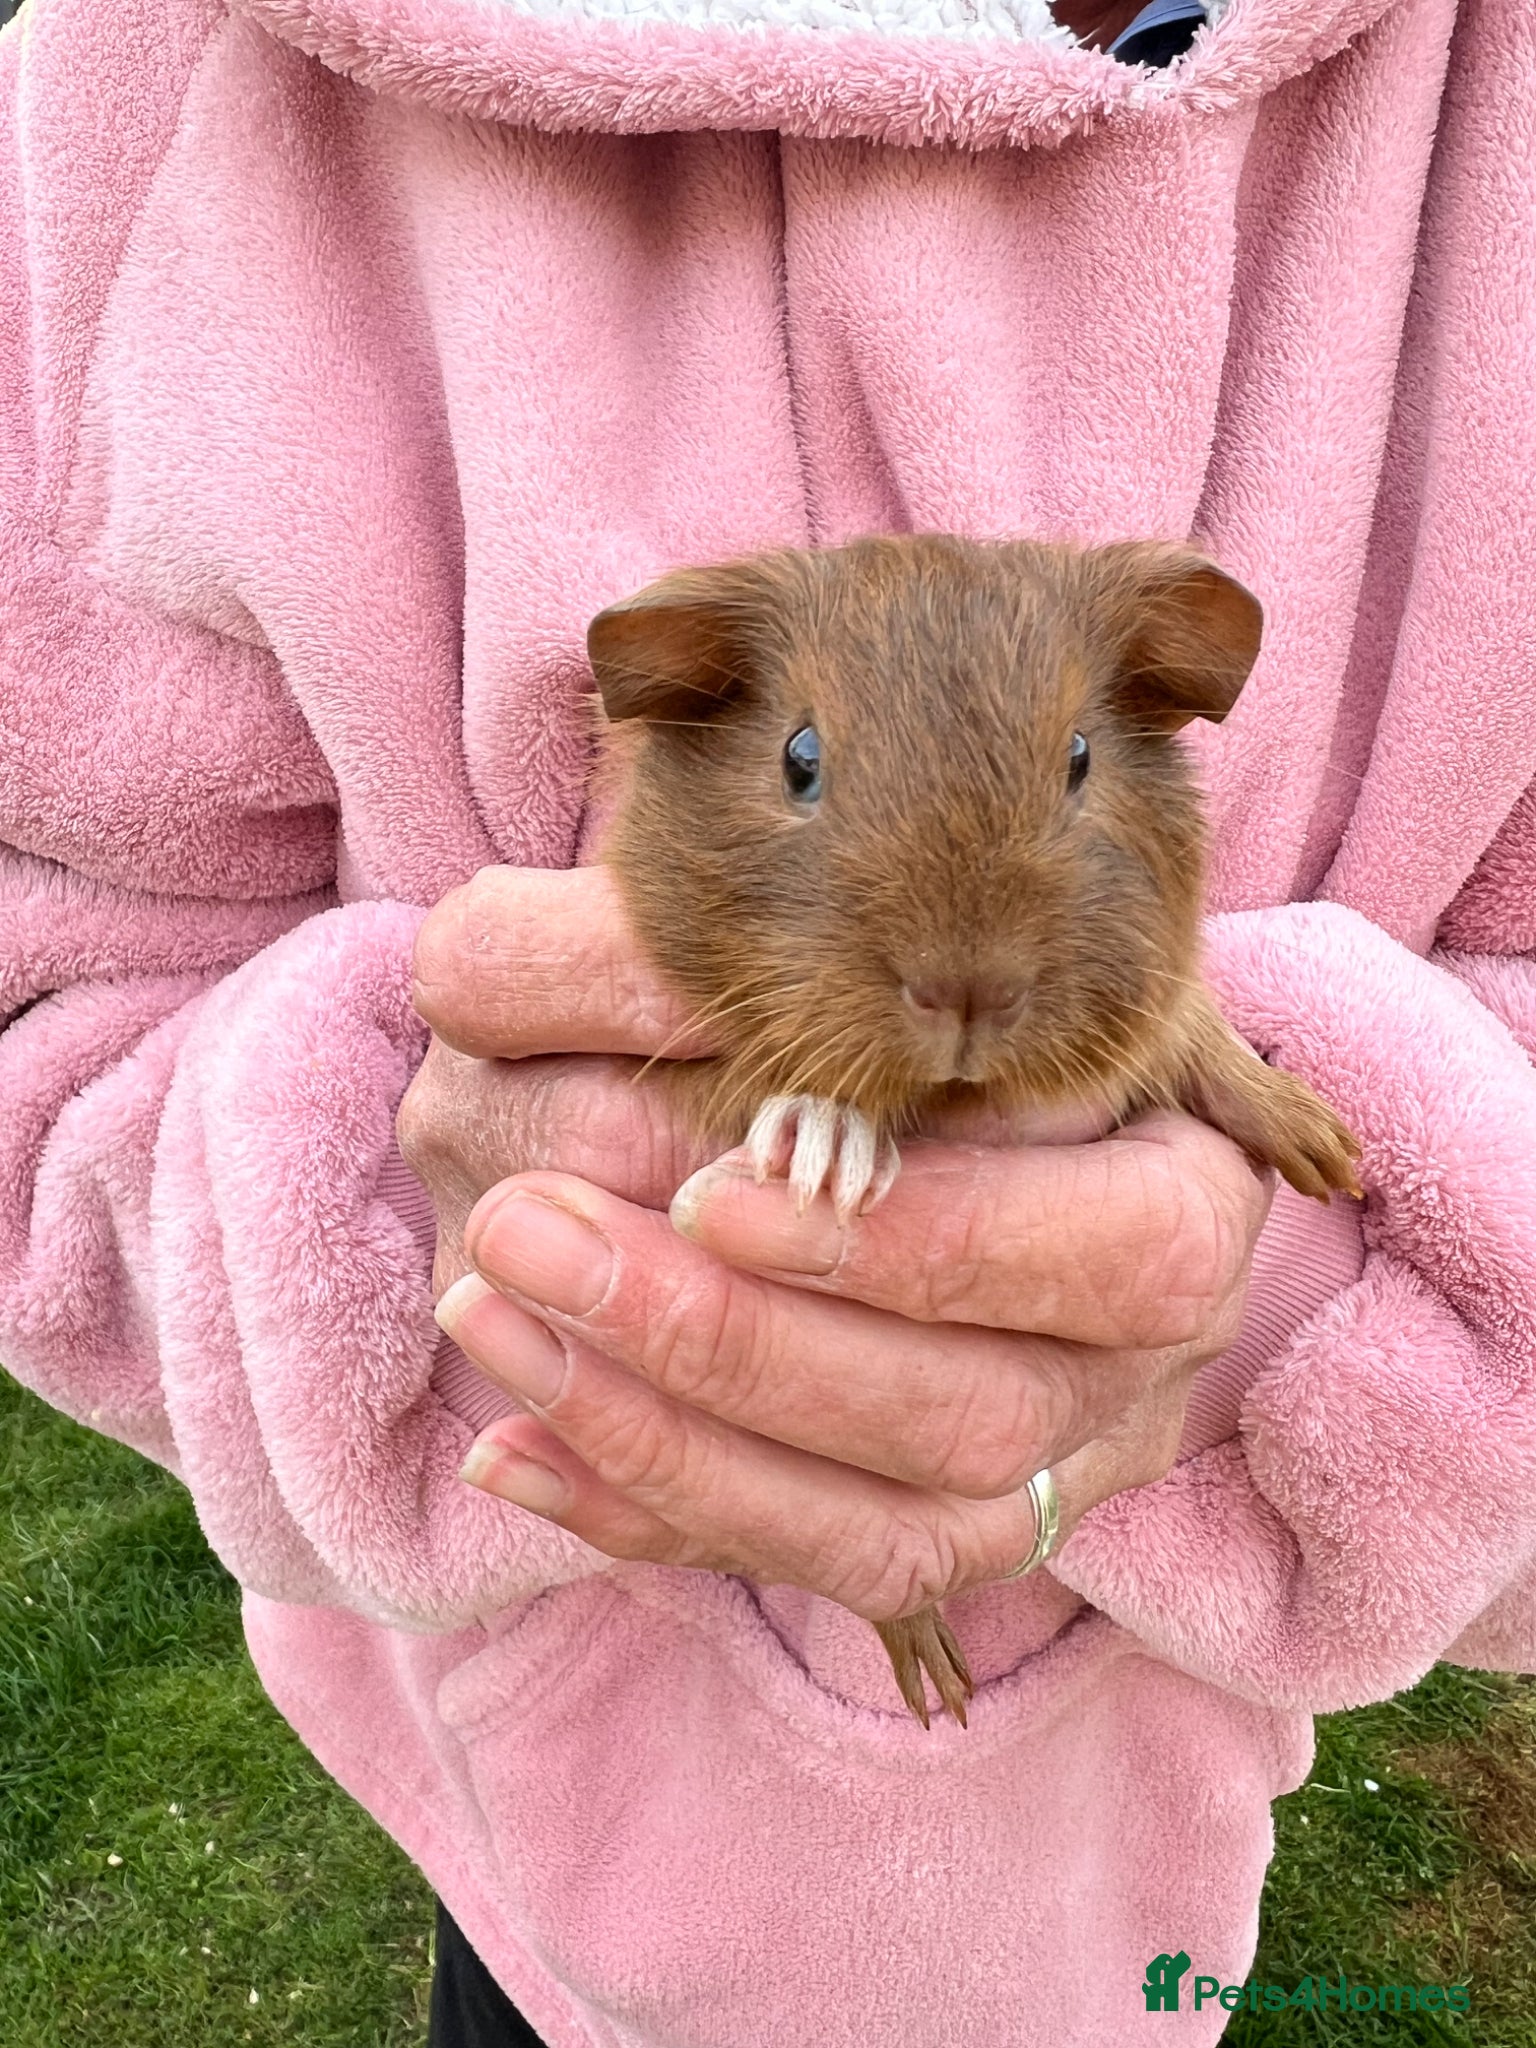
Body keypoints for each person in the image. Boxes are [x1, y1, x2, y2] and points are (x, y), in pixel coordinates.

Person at [2, 0, 1534, 2040]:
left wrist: (1281, 1304)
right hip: (537, 1845)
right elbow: (53, 995)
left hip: (1129, 1870)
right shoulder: (145, 70)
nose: (959, 949)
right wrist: (433, 1242)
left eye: (1081, 773)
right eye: (808, 774)